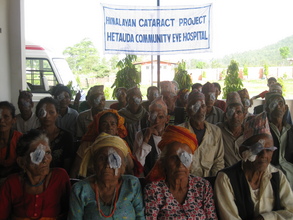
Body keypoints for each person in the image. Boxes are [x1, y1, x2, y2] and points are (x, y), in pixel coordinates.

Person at [214, 112, 293, 220]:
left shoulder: (277, 175)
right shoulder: (226, 179)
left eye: (269, 150)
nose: (264, 155)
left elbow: (291, 211)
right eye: (257, 149)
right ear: (243, 151)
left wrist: (264, 218)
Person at [144, 125, 218, 219]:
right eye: (174, 158)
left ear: (191, 162)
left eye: (185, 158)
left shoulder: (203, 187)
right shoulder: (154, 190)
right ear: (164, 161)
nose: (180, 164)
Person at [68, 133, 145, 219]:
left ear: (123, 166)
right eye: (102, 158)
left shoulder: (132, 184)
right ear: (94, 163)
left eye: (114, 159)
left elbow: (140, 217)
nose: (107, 164)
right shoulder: (80, 190)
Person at [0, 129, 71, 220]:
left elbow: (69, 212)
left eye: (48, 153)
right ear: (22, 162)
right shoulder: (12, 183)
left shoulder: (60, 177)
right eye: (38, 155)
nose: (45, 160)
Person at [70, 109, 135, 178]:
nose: (109, 127)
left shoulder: (121, 144)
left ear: (117, 129)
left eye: (113, 124)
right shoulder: (87, 145)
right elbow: (75, 170)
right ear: (98, 127)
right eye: (104, 124)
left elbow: (130, 168)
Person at [179, 89, 224, 177]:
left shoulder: (215, 132)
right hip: (187, 181)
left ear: (206, 109)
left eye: (203, 106)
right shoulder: (180, 132)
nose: (200, 111)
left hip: (210, 181)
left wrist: (214, 181)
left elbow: (219, 162)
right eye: (196, 107)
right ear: (188, 110)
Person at [133, 96, 170, 176]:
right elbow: (137, 164)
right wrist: (146, 140)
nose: (157, 121)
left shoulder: (172, 135)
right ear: (149, 118)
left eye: (160, 117)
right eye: (153, 117)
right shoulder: (141, 135)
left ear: (167, 119)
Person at [36, 97, 74, 173]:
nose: (47, 116)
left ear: (57, 114)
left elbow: (68, 165)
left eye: (51, 112)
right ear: (38, 114)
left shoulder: (66, 137)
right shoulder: (32, 137)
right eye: (43, 112)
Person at [265, 91, 293, 189]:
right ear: (268, 109)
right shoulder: (264, 130)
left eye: (281, 104)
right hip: (270, 171)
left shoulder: (290, 129)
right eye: (274, 104)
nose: (278, 107)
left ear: (285, 108)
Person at [217, 92, 244, 167]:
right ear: (226, 116)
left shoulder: (249, 132)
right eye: (231, 112)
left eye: (238, 112)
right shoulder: (218, 130)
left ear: (244, 115)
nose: (235, 116)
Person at [0, 101, 22, 182]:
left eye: (6, 117)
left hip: (14, 179)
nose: (1, 120)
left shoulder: (20, 139)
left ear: (14, 120)